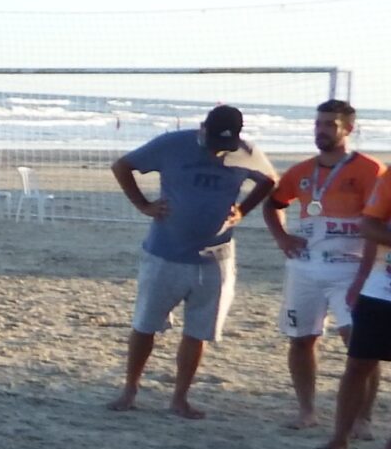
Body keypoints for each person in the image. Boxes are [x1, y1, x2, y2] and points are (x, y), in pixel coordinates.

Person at [108, 105, 277, 419]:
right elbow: (122, 166)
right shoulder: (172, 144)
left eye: (224, 147)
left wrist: (243, 210)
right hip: (164, 253)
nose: (217, 152)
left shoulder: (246, 152)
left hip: (215, 258)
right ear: (203, 129)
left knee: (198, 331)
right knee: (145, 325)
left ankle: (180, 398)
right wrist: (143, 205)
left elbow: (269, 180)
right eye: (213, 144)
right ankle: (130, 388)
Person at [262, 101, 384, 433]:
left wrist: (362, 276)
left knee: (360, 346)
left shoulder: (371, 170)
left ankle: (363, 417)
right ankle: (307, 411)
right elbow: (272, 204)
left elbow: (379, 223)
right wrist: (283, 238)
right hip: (305, 268)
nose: (322, 130)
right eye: (319, 123)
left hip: (351, 269)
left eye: (330, 124)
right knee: (301, 339)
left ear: (348, 129)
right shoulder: (301, 171)